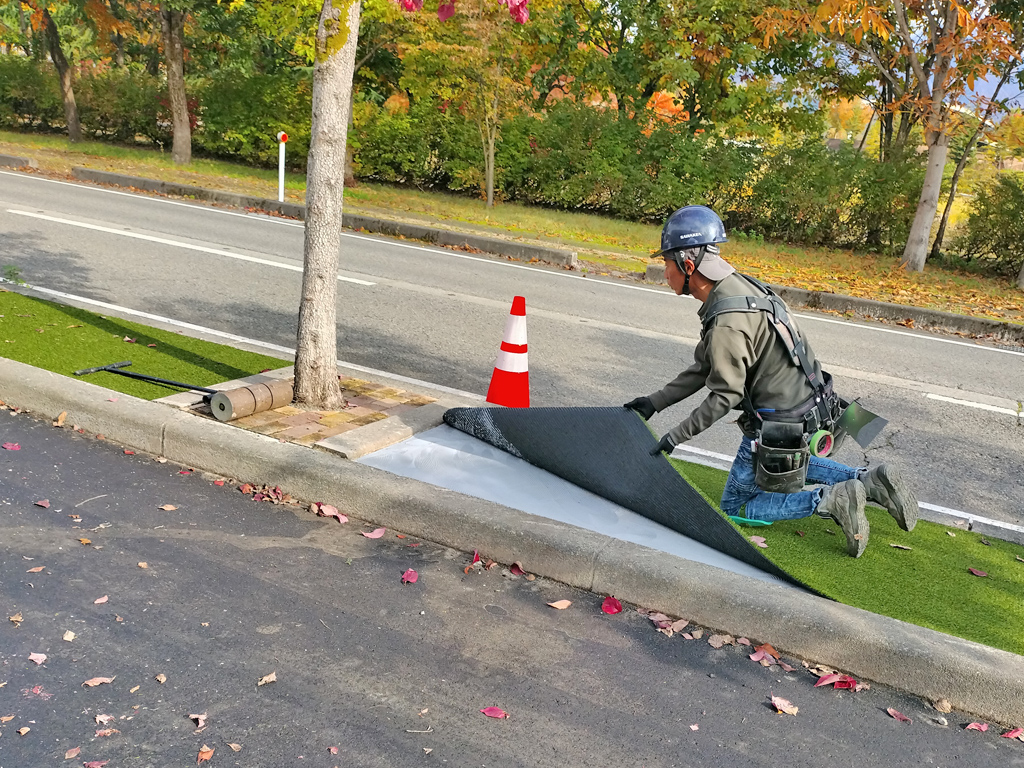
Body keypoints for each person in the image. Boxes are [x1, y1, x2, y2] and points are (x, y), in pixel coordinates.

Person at [624, 205, 917, 557]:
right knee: (781, 465)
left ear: (688, 266)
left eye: (666, 263)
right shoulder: (740, 288)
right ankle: (869, 479)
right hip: (820, 404)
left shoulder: (727, 322)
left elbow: (725, 395)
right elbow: (705, 367)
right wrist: (654, 403)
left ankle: (831, 499)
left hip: (780, 426)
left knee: (736, 503)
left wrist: (674, 438)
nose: (663, 271)